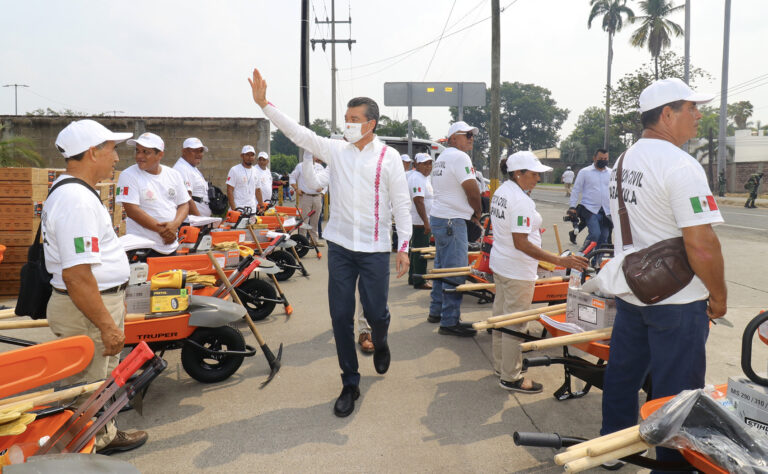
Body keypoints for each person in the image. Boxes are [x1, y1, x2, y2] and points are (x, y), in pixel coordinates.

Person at [249, 68, 411, 417]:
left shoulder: (389, 158)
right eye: (346, 119)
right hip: (340, 247)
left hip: (374, 249)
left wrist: (404, 247)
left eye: (354, 119)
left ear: (371, 124)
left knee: (377, 313)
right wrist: (266, 106)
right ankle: (350, 382)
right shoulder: (337, 151)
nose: (348, 124)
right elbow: (300, 134)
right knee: (340, 316)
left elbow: (401, 204)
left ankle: (380, 341)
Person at [600, 78, 726, 469]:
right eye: (692, 108)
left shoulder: (622, 162)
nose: (699, 115)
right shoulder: (681, 165)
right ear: (667, 114)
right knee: (677, 392)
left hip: (633, 289)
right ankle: (673, 465)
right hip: (676, 300)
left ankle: (613, 448)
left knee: (623, 374)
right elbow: (702, 245)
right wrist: (718, 296)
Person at [45, 119, 148, 455]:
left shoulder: (76, 193)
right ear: (92, 153)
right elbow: (77, 276)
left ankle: (101, 437)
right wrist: (106, 324)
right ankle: (86, 451)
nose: (117, 159)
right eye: (112, 150)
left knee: (97, 382)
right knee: (85, 387)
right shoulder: (76, 200)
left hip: (92, 305)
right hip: (87, 310)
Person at [490, 152, 588, 393]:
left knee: (502, 317)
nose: (537, 178)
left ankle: (502, 365)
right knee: (515, 323)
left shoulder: (502, 192)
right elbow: (521, 242)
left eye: (538, 174)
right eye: (533, 174)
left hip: (502, 264)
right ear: (517, 173)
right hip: (517, 269)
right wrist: (558, 260)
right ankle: (510, 376)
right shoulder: (520, 200)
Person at [428, 121, 483, 336]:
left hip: (441, 217)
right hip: (452, 220)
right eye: (467, 134)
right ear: (452, 138)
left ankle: (436, 311)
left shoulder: (442, 158)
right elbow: (472, 190)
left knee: (442, 268)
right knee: (455, 272)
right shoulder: (460, 157)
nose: (471, 138)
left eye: (472, 134)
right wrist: (477, 213)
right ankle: (449, 321)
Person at [116, 132, 190, 256]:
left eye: (146, 152)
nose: (139, 156)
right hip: (141, 248)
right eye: (137, 151)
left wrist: (174, 225)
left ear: (160, 154)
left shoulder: (173, 175)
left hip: (171, 245)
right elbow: (132, 211)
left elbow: (184, 204)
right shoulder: (128, 175)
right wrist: (164, 231)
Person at [567, 149, 612, 251]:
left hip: (606, 211)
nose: (603, 160)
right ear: (594, 158)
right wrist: (572, 207)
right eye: (601, 159)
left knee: (604, 236)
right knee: (595, 234)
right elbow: (576, 190)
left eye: (605, 159)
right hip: (590, 209)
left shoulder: (611, 173)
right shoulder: (585, 172)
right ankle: (582, 257)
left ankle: (597, 261)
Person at [408, 153, 434, 290]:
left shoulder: (424, 178)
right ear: (416, 165)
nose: (428, 166)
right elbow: (418, 201)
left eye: (430, 163)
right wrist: (426, 222)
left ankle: (414, 277)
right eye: (424, 163)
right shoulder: (417, 178)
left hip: (421, 220)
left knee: (416, 250)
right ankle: (420, 280)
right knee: (421, 252)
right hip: (419, 221)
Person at [290, 150, 326, 246]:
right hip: (305, 196)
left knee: (315, 220)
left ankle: (314, 240)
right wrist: (296, 189)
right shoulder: (300, 166)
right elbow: (292, 178)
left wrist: (322, 191)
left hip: (317, 197)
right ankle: (302, 240)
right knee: (304, 220)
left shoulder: (320, 167)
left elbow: (326, 181)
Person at [173, 137, 211, 217]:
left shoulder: (191, 167)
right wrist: (200, 220)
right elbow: (187, 199)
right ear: (184, 151)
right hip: (191, 221)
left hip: (196, 221)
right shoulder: (181, 168)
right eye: (195, 150)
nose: (199, 154)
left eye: (201, 151)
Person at [226, 145, 258, 211]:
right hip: (238, 208)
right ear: (242, 156)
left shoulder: (256, 171)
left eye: (252, 155)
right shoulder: (234, 170)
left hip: (252, 209)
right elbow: (229, 190)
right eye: (247, 155)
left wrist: (261, 206)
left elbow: (258, 189)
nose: (250, 157)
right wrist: (234, 209)